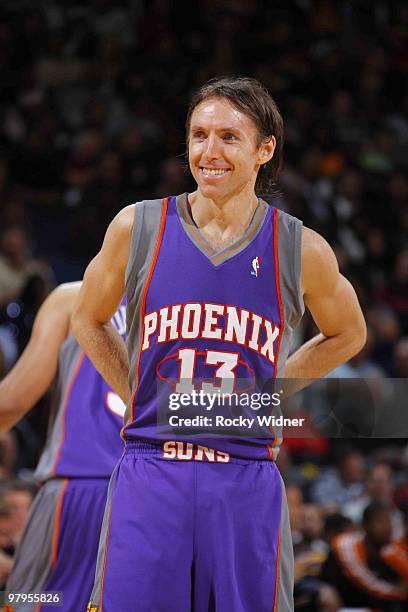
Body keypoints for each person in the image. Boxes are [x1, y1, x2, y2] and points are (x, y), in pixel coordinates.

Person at [73, 77, 367, 611]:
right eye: (198, 135)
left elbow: (349, 333)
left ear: (264, 149)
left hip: (244, 475)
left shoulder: (300, 247)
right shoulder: (137, 226)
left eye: (229, 137)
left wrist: (270, 395)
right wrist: (137, 393)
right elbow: (89, 320)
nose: (209, 152)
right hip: (152, 466)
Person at [0, 283, 126, 612]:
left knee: (35, 603)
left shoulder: (73, 296)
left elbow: (11, 402)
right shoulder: (196, 305)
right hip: (155, 497)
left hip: (76, 496)